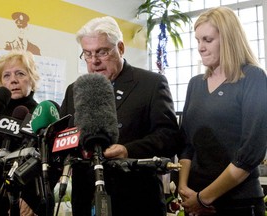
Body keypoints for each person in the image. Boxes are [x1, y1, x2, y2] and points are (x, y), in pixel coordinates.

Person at [60, 16, 184, 216]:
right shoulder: (74, 90)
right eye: (87, 54)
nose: (94, 61)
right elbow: (65, 138)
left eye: (102, 51)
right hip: (86, 199)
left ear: (120, 48)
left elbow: (170, 138)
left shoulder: (151, 84)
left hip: (137, 200)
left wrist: (128, 150)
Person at [178, 6, 267, 216]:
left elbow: (250, 152)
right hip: (195, 199)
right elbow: (187, 144)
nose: (200, 47)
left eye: (207, 40)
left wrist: (205, 198)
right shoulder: (195, 84)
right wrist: (184, 189)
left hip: (239, 202)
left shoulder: (253, 78)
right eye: (198, 40)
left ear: (228, 40)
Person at [0, 49, 42, 216]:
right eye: (6, 76)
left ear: (32, 78)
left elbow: (45, 164)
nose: (13, 80)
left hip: (21, 199)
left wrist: (30, 200)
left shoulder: (40, 115)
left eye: (20, 74)